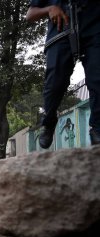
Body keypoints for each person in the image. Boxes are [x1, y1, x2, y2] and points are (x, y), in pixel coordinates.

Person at [26, 0, 100, 149]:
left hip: (94, 28)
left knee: (97, 79)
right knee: (54, 84)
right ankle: (49, 121)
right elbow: (30, 14)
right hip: (60, 31)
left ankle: (98, 130)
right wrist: (49, 9)